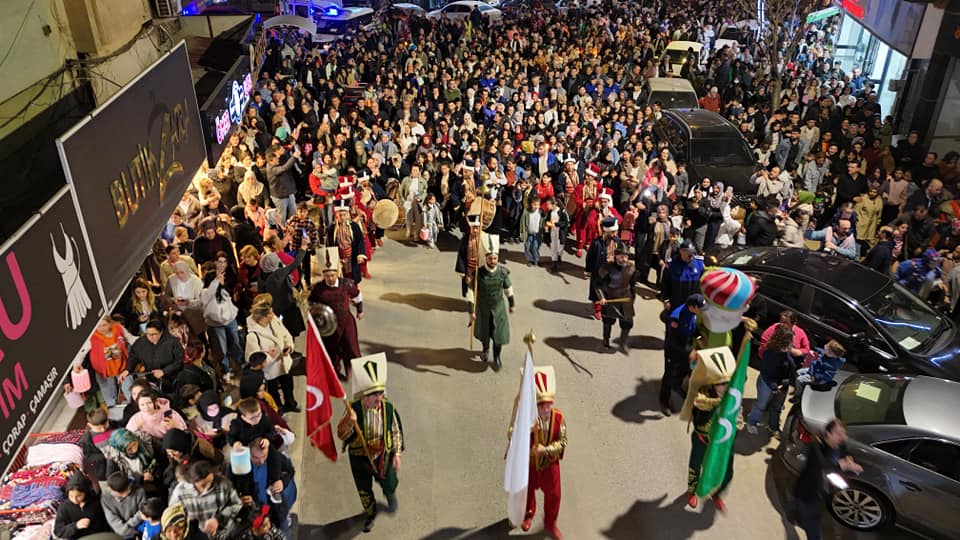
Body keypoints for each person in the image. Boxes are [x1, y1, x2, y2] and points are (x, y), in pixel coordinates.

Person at [337, 354, 404, 533]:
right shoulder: (353, 410)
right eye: (374, 394)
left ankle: (390, 496)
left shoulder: (388, 408)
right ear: (364, 395)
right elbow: (341, 435)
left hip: (383, 455)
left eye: (380, 393)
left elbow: (396, 431)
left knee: (389, 482)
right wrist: (349, 422)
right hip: (360, 458)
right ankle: (371, 513)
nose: (378, 397)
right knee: (364, 490)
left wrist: (397, 454)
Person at [679, 347, 737, 512]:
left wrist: (736, 425)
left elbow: (738, 419)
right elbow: (699, 402)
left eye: (727, 383)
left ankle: (717, 494)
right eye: (721, 383)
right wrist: (719, 402)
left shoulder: (733, 397)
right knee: (695, 466)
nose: (724, 387)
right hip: (702, 439)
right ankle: (692, 491)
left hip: (722, 443)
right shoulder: (705, 392)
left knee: (727, 472)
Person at [793, 419, 863, 540]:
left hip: (824, 490)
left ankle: (797, 514)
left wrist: (848, 459)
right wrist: (843, 465)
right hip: (809, 492)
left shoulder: (840, 444)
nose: (843, 437)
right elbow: (821, 464)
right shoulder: (815, 445)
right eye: (838, 433)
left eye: (844, 433)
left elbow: (844, 452)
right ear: (828, 434)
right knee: (812, 522)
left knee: (807, 511)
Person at [519, 366, 567, 540]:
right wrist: (528, 432)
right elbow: (516, 438)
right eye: (542, 407)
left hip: (549, 463)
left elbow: (563, 442)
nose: (546, 410)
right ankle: (528, 514)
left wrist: (545, 450)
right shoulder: (527, 418)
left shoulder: (559, 418)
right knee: (527, 490)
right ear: (536, 407)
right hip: (531, 463)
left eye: (548, 406)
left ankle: (550, 523)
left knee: (554, 494)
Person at [308, 247, 363, 379]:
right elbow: (312, 302)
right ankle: (335, 372)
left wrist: (360, 310)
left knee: (351, 347)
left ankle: (355, 373)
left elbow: (357, 296)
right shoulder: (319, 288)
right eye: (327, 276)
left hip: (346, 321)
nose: (330, 278)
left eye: (332, 275)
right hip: (329, 325)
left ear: (337, 273)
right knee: (332, 350)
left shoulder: (347, 284)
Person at [229, 437, 298, 537]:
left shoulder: (276, 458)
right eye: (255, 457)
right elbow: (229, 487)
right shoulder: (238, 464)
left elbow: (290, 471)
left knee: (284, 533)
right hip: (254, 514)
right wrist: (239, 499)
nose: (261, 461)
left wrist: (282, 482)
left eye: (264, 456)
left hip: (275, 509)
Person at [245, 294, 299, 413]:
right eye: (270, 313)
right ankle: (278, 410)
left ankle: (291, 404)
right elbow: (253, 359)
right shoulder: (252, 335)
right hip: (270, 371)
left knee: (288, 386)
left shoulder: (274, 320)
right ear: (263, 317)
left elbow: (286, 334)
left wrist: (289, 346)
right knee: (274, 392)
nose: (273, 314)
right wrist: (270, 355)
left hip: (284, 363)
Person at [467, 235, 515, 370]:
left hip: (498, 308)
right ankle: (485, 349)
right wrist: (471, 310)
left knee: (499, 335)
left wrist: (512, 304)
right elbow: (470, 292)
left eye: (495, 258)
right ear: (486, 258)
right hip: (483, 308)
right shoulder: (478, 274)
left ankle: (497, 357)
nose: (493, 261)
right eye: (490, 259)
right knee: (485, 332)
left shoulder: (502, 273)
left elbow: (508, 289)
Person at [169, 460, 244, 539]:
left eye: (211, 482)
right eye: (203, 485)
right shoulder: (180, 492)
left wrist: (218, 519)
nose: (208, 487)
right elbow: (173, 515)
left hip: (223, 533)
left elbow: (236, 504)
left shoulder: (223, 483)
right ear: (192, 482)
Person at [746, 326, 795, 437]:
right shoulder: (770, 354)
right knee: (761, 404)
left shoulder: (785, 353)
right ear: (784, 341)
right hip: (767, 383)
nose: (793, 343)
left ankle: (771, 425)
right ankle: (751, 422)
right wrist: (774, 386)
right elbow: (766, 373)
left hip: (781, 384)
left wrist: (783, 384)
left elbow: (789, 369)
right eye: (791, 340)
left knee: (776, 406)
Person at [661, 294, 706, 416]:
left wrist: (700, 338)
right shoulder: (676, 317)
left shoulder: (693, 313)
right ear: (693, 306)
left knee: (684, 370)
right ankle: (664, 402)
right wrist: (690, 351)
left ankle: (677, 386)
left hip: (686, 347)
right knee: (669, 376)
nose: (702, 311)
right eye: (700, 308)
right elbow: (673, 341)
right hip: (674, 351)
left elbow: (694, 329)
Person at [120, 320, 184, 393]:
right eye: (148, 334)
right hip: (151, 378)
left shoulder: (173, 342)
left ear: (161, 332)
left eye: (154, 334)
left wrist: (164, 371)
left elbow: (179, 361)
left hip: (171, 378)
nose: (150, 337)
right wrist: (127, 369)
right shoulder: (141, 342)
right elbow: (133, 356)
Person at [596, 246, 640, 353]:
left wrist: (632, 298)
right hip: (610, 297)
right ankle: (606, 340)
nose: (624, 259)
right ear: (616, 256)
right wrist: (601, 297)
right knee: (608, 321)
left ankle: (622, 341)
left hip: (625, 299)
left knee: (627, 323)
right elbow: (597, 285)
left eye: (625, 256)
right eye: (621, 256)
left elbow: (632, 285)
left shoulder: (632, 268)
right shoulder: (606, 268)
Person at [585, 217, 625, 320]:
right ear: (607, 231)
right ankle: (597, 309)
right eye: (613, 232)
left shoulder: (617, 241)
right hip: (599, 270)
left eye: (616, 231)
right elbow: (590, 257)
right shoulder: (597, 243)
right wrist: (588, 270)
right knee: (598, 290)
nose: (615, 234)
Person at [54, 474, 111, 539]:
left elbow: (107, 522)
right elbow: (58, 531)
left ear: (86, 493)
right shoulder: (64, 507)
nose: (74, 500)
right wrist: (76, 526)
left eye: (78, 496)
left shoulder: (96, 502)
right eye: (71, 496)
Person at [328, 198, 369, 283]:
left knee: (352, 280)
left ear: (347, 214)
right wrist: (332, 259)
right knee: (340, 280)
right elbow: (329, 245)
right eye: (340, 215)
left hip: (352, 257)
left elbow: (360, 241)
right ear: (336, 215)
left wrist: (360, 254)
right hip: (339, 259)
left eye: (344, 214)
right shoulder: (332, 229)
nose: (342, 217)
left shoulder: (354, 226)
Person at [658, 240, 704, 312]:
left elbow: (703, 283)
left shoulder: (699, 263)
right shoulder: (671, 264)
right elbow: (665, 283)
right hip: (675, 302)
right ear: (681, 251)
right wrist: (666, 299)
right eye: (688, 252)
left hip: (692, 305)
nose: (691, 255)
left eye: (692, 252)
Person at [102, 470, 147, 538]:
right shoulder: (106, 496)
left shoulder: (139, 491)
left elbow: (142, 510)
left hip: (138, 525)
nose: (111, 493)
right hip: (121, 530)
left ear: (128, 488)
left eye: (115, 492)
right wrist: (126, 530)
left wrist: (130, 525)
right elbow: (112, 519)